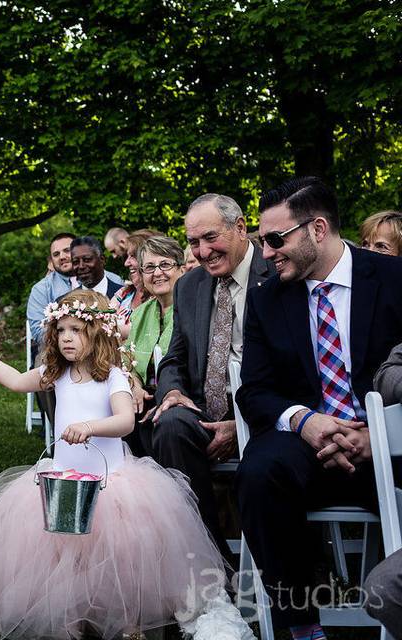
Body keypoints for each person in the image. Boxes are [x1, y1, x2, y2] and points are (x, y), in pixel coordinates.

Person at [0, 289, 239, 639]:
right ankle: (73, 615)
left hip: (110, 484)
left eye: (77, 330)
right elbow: (15, 381)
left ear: (97, 333)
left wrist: (90, 427)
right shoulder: (56, 374)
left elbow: (126, 421)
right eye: (61, 330)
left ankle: (129, 616)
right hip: (65, 481)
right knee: (63, 554)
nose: (67, 338)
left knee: (121, 556)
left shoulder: (111, 376)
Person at [235, 177, 402, 640]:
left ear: (318, 228)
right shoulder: (268, 298)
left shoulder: (392, 279)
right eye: (261, 241)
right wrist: (306, 421)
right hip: (305, 446)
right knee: (258, 472)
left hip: (388, 444)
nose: (265, 253)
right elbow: (254, 391)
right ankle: (301, 626)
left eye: (274, 239)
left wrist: (379, 436)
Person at [151, 194, 273, 560]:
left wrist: (243, 423)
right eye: (193, 242)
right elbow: (172, 357)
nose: (202, 252)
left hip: (264, 409)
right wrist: (171, 391)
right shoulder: (189, 286)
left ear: (240, 228)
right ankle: (211, 558)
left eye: (210, 238)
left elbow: (297, 368)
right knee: (169, 425)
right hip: (204, 409)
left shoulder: (276, 273)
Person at [126, 235, 185, 423]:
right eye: (150, 267)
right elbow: (128, 359)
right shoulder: (140, 313)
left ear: (181, 269)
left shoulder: (193, 308)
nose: (157, 273)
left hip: (179, 397)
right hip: (142, 396)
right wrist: (134, 386)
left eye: (165, 265)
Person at [26, 232, 76, 348]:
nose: (62, 257)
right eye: (56, 254)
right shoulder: (40, 289)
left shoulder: (108, 280)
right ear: (51, 260)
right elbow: (39, 333)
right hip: (54, 352)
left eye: (67, 250)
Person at [111, 229, 159, 335]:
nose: (126, 263)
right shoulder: (125, 292)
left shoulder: (161, 298)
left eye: (132, 256)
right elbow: (103, 321)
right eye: (127, 256)